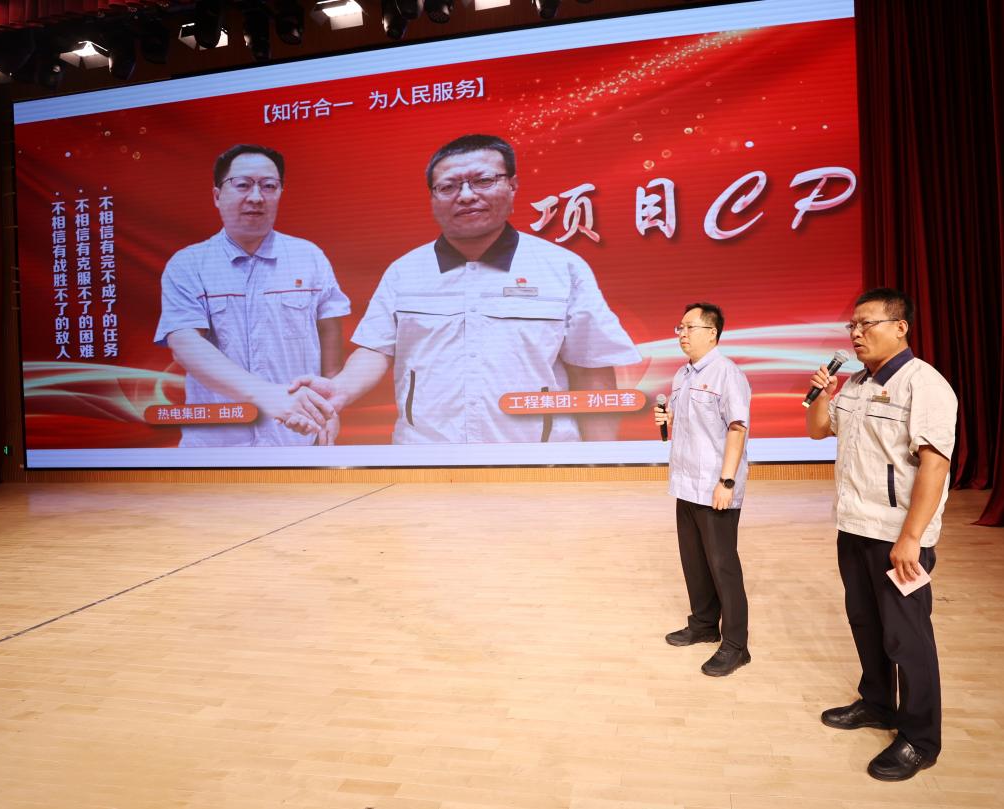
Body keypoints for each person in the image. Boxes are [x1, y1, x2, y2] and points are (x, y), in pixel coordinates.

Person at [291, 134, 640, 444]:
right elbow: (375, 350)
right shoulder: (405, 271)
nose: (467, 196)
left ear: (512, 185)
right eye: (449, 187)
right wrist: (339, 391)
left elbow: (591, 369)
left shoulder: (561, 268)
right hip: (426, 459)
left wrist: (599, 459)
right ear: (433, 197)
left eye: (483, 181)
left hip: (538, 459)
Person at [805, 287, 958, 781]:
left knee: (907, 637)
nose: (856, 333)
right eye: (852, 325)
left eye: (866, 323)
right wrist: (819, 395)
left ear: (900, 327)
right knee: (865, 623)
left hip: (897, 537)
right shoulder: (854, 383)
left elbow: (935, 465)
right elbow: (818, 431)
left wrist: (911, 538)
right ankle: (876, 703)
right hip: (853, 526)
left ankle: (920, 739)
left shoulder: (924, 385)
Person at [155, 144, 350, 447]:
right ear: (217, 196)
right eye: (243, 185)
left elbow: (329, 331)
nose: (256, 197)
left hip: (295, 438)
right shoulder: (189, 264)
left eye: (268, 186)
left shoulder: (309, 256)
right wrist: (269, 396)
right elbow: (184, 343)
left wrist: (331, 405)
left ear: (280, 193)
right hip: (217, 444)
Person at [654, 302, 751, 677]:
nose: (681, 333)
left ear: (712, 333)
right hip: (685, 483)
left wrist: (726, 481)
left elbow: (737, 428)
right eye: (679, 327)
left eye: (689, 327)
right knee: (694, 561)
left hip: (715, 486)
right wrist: (668, 419)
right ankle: (704, 624)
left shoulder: (727, 373)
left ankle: (736, 644)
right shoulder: (681, 375)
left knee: (723, 566)